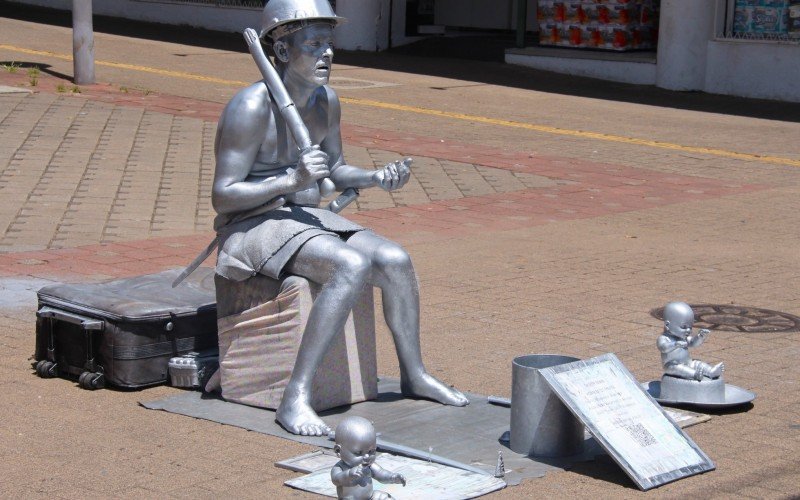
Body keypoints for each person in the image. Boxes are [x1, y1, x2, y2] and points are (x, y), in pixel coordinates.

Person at [212, 0, 468, 437]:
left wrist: (373, 177)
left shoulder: (325, 100)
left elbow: (333, 168)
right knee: (349, 265)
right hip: (252, 223)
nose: (327, 54)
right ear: (282, 52)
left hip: (303, 216)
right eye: (314, 45)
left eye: (329, 44)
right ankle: (295, 397)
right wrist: (289, 180)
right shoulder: (250, 106)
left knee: (394, 259)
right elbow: (223, 196)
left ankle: (414, 373)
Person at [331, 417, 406, 500]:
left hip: (370, 497)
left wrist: (392, 477)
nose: (366, 457)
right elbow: (336, 480)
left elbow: (381, 474)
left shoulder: (369, 466)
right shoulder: (339, 467)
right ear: (338, 451)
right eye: (358, 453)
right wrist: (348, 474)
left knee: (384, 497)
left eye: (371, 451)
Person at [657, 302, 724, 381]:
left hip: (688, 363)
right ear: (667, 325)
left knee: (697, 363)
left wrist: (700, 337)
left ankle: (711, 371)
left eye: (690, 327)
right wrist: (675, 344)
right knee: (677, 368)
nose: (688, 330)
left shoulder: (683, 337)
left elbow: (692, 343)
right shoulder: (664, 338)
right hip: (671, 365)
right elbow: (663, 348)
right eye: (683, 327)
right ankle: (695, 374)